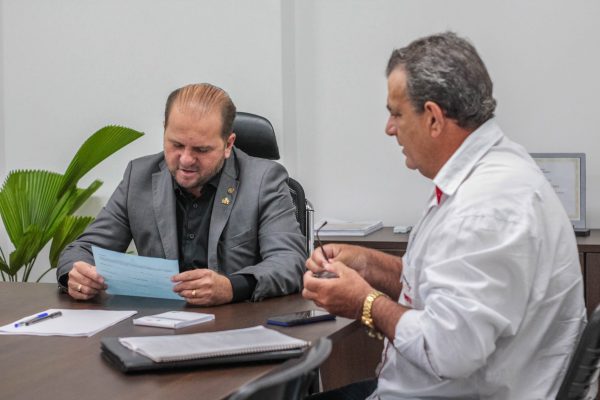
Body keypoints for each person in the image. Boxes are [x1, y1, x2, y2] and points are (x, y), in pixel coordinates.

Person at [303, 32, 586, 399]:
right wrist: (370, 265)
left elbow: (447, 351)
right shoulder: (491, 171)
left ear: (434, 118)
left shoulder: (484, 207)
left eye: (396, 113)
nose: (389, 128)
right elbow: (445, 288)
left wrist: (365, 303)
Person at [57, 83, 306, 305]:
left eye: (201, 150)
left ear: (228, 144)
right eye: (176, 145)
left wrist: (232, 287)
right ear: (164, 131)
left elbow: (289, 260)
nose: (186, 159)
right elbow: (81, 250)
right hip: (157, 325)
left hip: (237, 324)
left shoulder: (263, 180)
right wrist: (77, 275)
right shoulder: (139, 177)